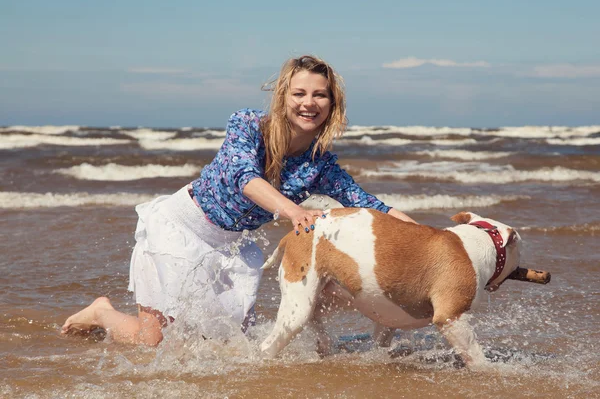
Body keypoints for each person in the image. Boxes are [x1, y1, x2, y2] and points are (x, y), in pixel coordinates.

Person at [61, 54, 416, 346]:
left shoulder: (319, 164)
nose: (309, 103)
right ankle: (101, 312)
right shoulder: (248, 125)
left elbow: (372, 206)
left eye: (320, 95)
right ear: (283, 97)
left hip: (230, 248)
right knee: (151, 342)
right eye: (299, 93)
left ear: (332, 103)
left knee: (227, 345)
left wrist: (434, 238)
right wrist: (292, 210)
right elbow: (244, 178)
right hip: (181, 228)